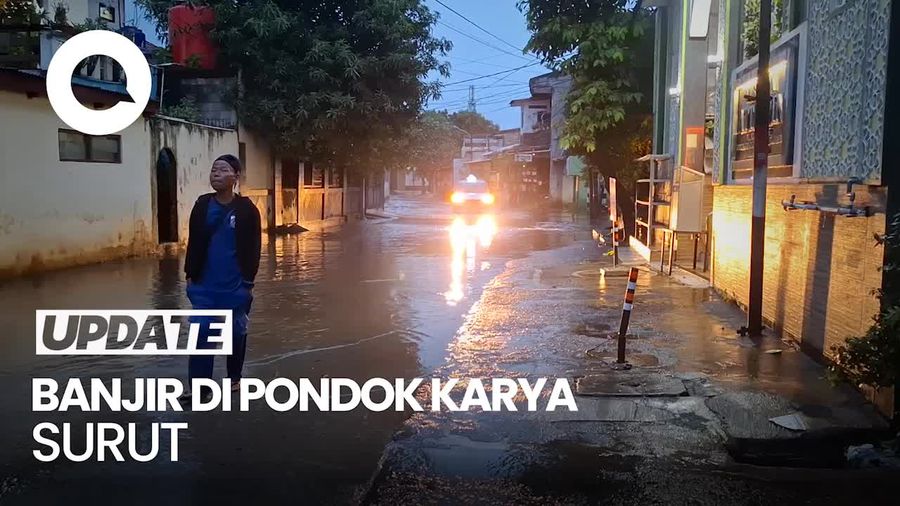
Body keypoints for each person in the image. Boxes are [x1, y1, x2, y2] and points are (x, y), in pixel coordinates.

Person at [183, 154, 261, 401]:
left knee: (235, 333)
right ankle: (200, 388)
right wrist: (189, 275)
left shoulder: (247, 210)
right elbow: (194, 241)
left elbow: (254, 248)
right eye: (213, 169)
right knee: (202, 331)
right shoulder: (202, 204)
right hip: (204, 285)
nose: (215, 173)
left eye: (223, 169)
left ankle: (234, 379)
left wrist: (247, 283)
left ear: (236, 177)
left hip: (235, 286)